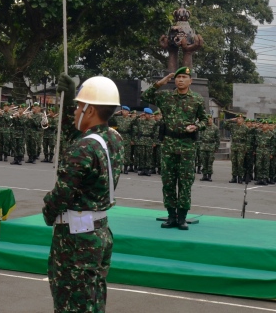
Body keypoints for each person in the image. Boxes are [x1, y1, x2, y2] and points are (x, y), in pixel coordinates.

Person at [43, 75, 124, 313]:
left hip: (76, 240)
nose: (77, 111)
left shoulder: (83, 148)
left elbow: (62, 194)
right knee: (92, 300)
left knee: (70, 303)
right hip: (98, 231)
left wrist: (47, 210)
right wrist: (68, 102)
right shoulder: (114, 138)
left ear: (89, 110)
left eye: (79, 106)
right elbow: (80, 134)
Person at [142, 66, 206, 229]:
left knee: (185, 181)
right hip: (169, 143)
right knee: (168, 181)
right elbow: (145, 96)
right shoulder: (166, 97)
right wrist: (161, 82)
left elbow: (205, 120)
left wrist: (196, 126)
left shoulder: (197, 99)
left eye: (184, 77)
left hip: (187, 145)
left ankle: (182, 217)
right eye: (178, 77)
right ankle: (171, 216)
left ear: (190, 81)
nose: (180, 80)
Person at [227, 114, 249, 183]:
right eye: (237, 118)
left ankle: (240, 177)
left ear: (243, 119)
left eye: (240, 118)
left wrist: (246, 148)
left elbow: (248, 139)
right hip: (234, 146)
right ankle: (234, 177)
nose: (238, 119)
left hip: (241, 147)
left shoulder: (245, 128)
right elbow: (224, 125)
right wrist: (231, 120)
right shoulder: (233, 126)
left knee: (240, 163)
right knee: (234, 162)